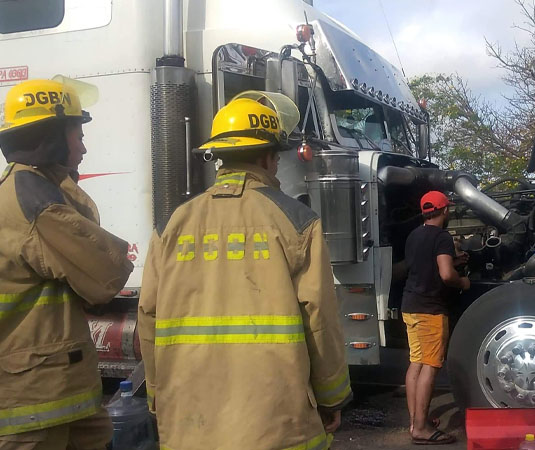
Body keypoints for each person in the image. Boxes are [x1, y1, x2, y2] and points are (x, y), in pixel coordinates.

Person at [138, 96, 352, 450]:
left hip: (190, 422)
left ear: (220, 156)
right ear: (269, 157)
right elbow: (320, 319)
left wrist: (158, 397)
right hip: (276, 425)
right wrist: (332, 398)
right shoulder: (297, 221)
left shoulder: (172, 224)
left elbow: (148, 317)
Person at [0, 79, 133, 449]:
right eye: (77, 134)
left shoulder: (29, 189)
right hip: (34, 403)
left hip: (60, 394)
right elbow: (106, 273)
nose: (84, 147)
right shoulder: (39, 202)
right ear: (53, 136)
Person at [402, 191, 470, 445]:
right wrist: (462, 280)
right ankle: (421, 429)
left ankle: (415, 420)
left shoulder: (414, 235)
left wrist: (453, 259)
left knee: (416, 363)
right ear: (445, 211)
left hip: (410, 305)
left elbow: (425, 263)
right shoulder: (442, 236)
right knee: (430, 366)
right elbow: (445, 275)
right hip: (430, 309)